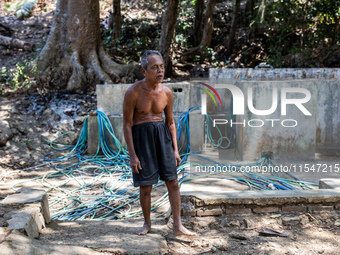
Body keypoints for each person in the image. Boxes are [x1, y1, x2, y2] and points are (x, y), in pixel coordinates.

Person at [123, 50, 196, 236]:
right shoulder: (133, 92)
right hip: (142, 139)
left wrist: (175, 149)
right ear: (144, 70)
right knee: (146, 185)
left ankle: (178, 225)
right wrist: (133, 156)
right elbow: (126, 125)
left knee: (173, 182)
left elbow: (170, 122)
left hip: (162, 137)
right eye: (154, 67)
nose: (160, 70)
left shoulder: (167, 92)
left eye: (162, 66)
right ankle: (147, 223)